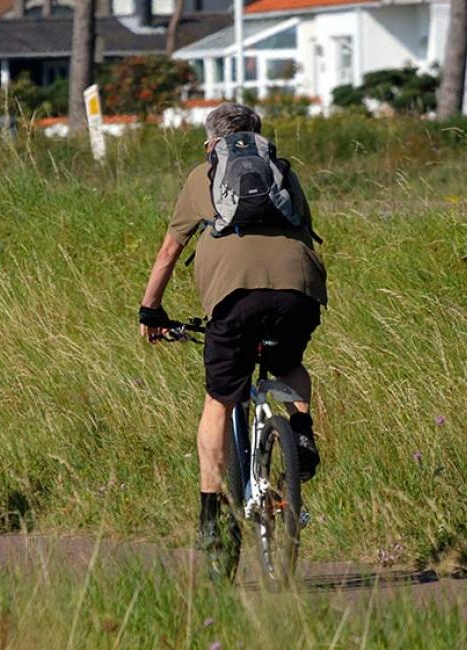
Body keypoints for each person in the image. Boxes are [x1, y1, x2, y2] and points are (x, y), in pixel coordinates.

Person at [137, 103, 327, 575]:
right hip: (297, 292)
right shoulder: (282, 171)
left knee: (219, 402)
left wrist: (150, 309)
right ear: (259, 137)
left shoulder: (203, 175)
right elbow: (304, 229)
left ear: (211, 144)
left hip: (233, 301)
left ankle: (209, 513)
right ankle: (300, 435)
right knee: (289, 367)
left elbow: (168, 252)